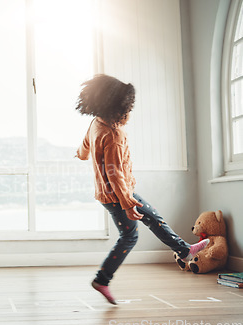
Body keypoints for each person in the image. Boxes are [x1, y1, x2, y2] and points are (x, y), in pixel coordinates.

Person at [74, 74, 209, 305]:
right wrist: (127, 204)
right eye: (127, 111)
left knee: (153, 218)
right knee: (129, 236)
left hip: (113, 193)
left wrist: (81, 154)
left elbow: (86, 145)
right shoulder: (114, 136)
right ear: (118, 111)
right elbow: (115, 175)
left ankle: (185, 250)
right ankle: (102, 280)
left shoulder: (96, 123)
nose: (129, 115)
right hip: (118, 194)